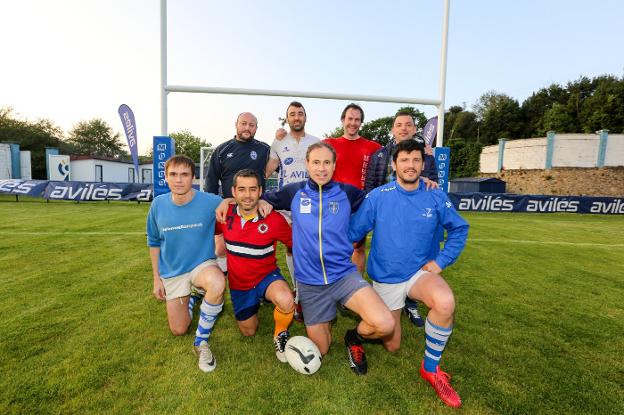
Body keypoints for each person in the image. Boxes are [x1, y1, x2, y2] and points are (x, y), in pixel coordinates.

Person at [349, 139, 469, 408]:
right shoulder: (378, 196)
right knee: (390, 341)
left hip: (419, 273)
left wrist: (441, 261)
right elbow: (352, 233)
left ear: (423, 164)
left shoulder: (435, 194)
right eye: (404, 160)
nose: (410, 165)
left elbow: (459, 229)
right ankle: (354, 336)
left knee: (445, 302)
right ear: (394, 164)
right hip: (387, 276)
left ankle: (431, 369)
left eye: (416, 159)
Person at [260, 142, 394, 375]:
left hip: (343, 275)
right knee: (321, 349)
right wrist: (256, 200)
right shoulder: (294, 192)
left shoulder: (348, 193)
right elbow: (254, 197)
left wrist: (422, 184)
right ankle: (327, 317)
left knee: (385, 324)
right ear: (307, 164)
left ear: (334, 166)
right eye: (316, 162)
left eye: (327, 163)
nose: (321, 168)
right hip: (310, 283)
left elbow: (380, 202)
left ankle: (354, 337)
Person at [146, 155, 226, 373]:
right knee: (179, 329)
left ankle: (201, 342)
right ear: (166, 177)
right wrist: (156, 278)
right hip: (174, 272)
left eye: (184, 175)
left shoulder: (209, 201)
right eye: (173, 174)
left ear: (194, 177)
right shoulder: (158, 205)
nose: (179, 180)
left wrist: (229, 201)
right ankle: (191, 298)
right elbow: (153, 242)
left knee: (217, 283)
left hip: (202, 265)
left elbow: (238, 200)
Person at [364, 110, 439, 327]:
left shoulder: (426, 156)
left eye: (408, 124)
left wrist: (426, 179)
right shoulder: (380, 155)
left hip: (416, 221)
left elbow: (434, 183)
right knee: (387, 260)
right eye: (399, 125)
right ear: (393, 129)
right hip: (387, 220)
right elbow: (370, 186)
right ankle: (385, 300)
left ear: (415, 129)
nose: (404, 128)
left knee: (416, 261)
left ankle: (411, 303)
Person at [216, 169, 295, 362]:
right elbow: (212, 236)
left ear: (260, 191)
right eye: (242, 189)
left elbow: (297, 245)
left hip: (266, 276)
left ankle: (280, 333)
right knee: (249, 331)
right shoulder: (224, 215)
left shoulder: (273, 218)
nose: (247, 195)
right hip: (239, 284)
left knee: (286, 300)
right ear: (233, 192)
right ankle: (257, 301)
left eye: (253, 189)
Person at [265, 101, 320, 321]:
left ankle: (312, 289)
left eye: (300, 113)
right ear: (286, 119)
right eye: (292, 114)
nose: (296, 117)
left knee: (311, 248)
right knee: (291, 247)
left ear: (305, 117)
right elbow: (268, 170)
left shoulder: (316, 142)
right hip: (289, 202)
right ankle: (298, 291)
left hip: (312, 201)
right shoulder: (278, 142)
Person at [204, 112, 271, 272]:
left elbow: (282, 160)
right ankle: (216, 283)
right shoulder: (222, 150)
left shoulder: (265, 149)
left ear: (256, 128)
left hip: (255, 208)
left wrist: (282, 139)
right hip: (229, 208)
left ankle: (256, 285)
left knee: (256, 249)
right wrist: (213, 207)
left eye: (251, 125)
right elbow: (211, 181)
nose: (247, 128)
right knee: (221, 249)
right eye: (244, 123)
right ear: (236, 124)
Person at [323, 103, 381, 272]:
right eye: (350, 118)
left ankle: (355, 288)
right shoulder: (328, 143)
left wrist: (426, 153)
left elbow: (399, 157)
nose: (353, 123)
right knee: (331, 248)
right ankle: (331, 285)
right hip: (333, 205)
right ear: (343, 120)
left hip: (360, 206)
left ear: (361, 123)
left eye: (357, 120)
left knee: (358, 248)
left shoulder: (373, 147)